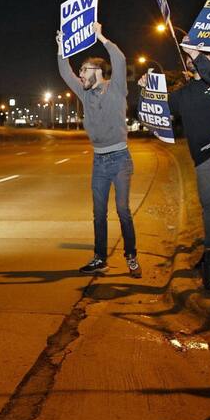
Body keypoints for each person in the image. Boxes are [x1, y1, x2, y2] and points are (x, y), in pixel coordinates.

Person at [56, 22, 140, 276]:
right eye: (80, 70)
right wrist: (62, 48)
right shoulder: (85, 95)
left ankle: (131, 255)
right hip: (99, 162)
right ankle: (99, 258)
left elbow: (120, 57)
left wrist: (101, 36)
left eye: (84, 70)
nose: (80, 75)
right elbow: (64, 73)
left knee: (123, 210)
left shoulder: (116, 87)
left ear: (98, 71)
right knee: (98, 213)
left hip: (120, 159)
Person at [137, 45, 210, 257]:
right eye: (189, 55)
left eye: (199, 54)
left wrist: (199, 56)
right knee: (209, 204)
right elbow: (157, 108)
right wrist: (146, 88)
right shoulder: (183, 94)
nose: (192, 57)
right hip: (203, 157)